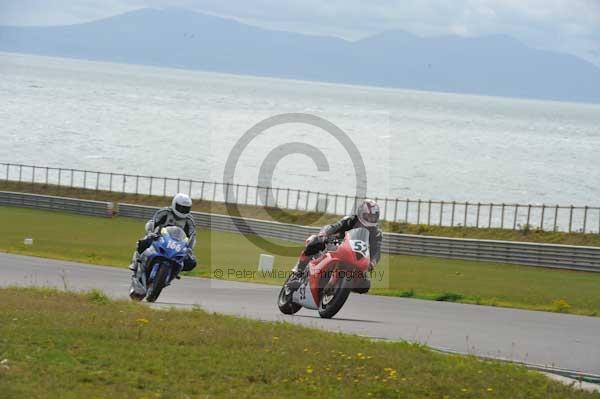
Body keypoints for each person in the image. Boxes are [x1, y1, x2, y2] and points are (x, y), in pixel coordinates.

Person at [288, 199, 383, 285]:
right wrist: (324, 234)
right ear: (361, 213)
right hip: (337, 244)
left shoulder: (376, 232)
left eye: (373, 217)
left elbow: (376, 251)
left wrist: (372, 263)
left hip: (355, 255)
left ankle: (339, 286)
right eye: (368, 216)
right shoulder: (351, 220)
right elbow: (334, 227)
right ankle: (299, 270)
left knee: (365, 285)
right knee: (317, 241)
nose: (371, 219)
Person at [129, 193, 197, 274]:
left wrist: (189, 249)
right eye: (180, 207)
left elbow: (192, 236)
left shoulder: (189, 221)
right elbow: (152, 223)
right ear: (174, 204)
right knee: (143, 242)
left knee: (191, 262)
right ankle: (135, 262)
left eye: (186, 209)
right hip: (159, 239)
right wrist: (150, 233)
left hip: (177, 246)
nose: (183, 211)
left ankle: (174, 271)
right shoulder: (164, 212)